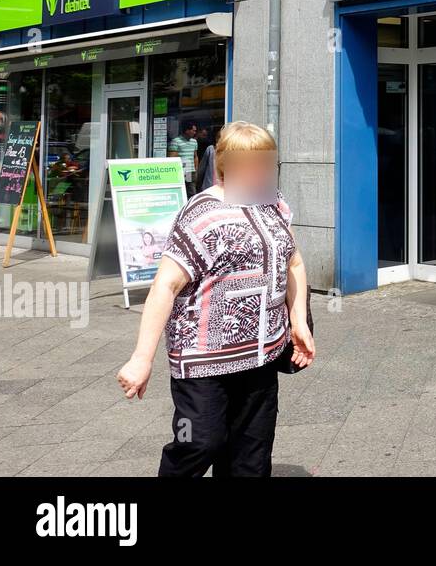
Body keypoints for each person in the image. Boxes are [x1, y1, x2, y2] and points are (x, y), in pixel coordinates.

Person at [116, 122, 315, 477]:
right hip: (202, 362)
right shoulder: (201, 213)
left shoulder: (275, 204)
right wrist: (140, 359)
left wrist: (298, 321)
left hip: (261, 357)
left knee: (250, 457)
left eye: (267, 163)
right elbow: (165, 286)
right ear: (225, 164)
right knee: (196, 442)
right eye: (251, 164)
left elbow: (294, 261)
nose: (262, 172)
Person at [167, 122, 199, 196]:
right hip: (180, 172)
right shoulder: (176, 141)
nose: (195, 132)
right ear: (187, 130)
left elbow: (195, 157)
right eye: (193, 130)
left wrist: (196, 170)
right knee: (181, 192)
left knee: (192, 193)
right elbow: (172, 158)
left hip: (190, 172)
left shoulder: (194, 142)